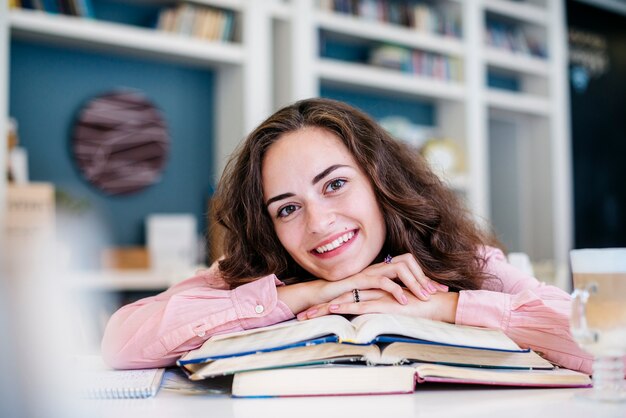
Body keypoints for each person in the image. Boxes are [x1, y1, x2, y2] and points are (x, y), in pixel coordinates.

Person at [101, 98, 593, 374]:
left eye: (335, 184)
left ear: (381, 184)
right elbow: (121, 343)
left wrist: (438, 308)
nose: (318, 223)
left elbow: (609, 343)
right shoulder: (251, 278)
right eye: (288, 208)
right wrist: (316, 293)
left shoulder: (467, 261)